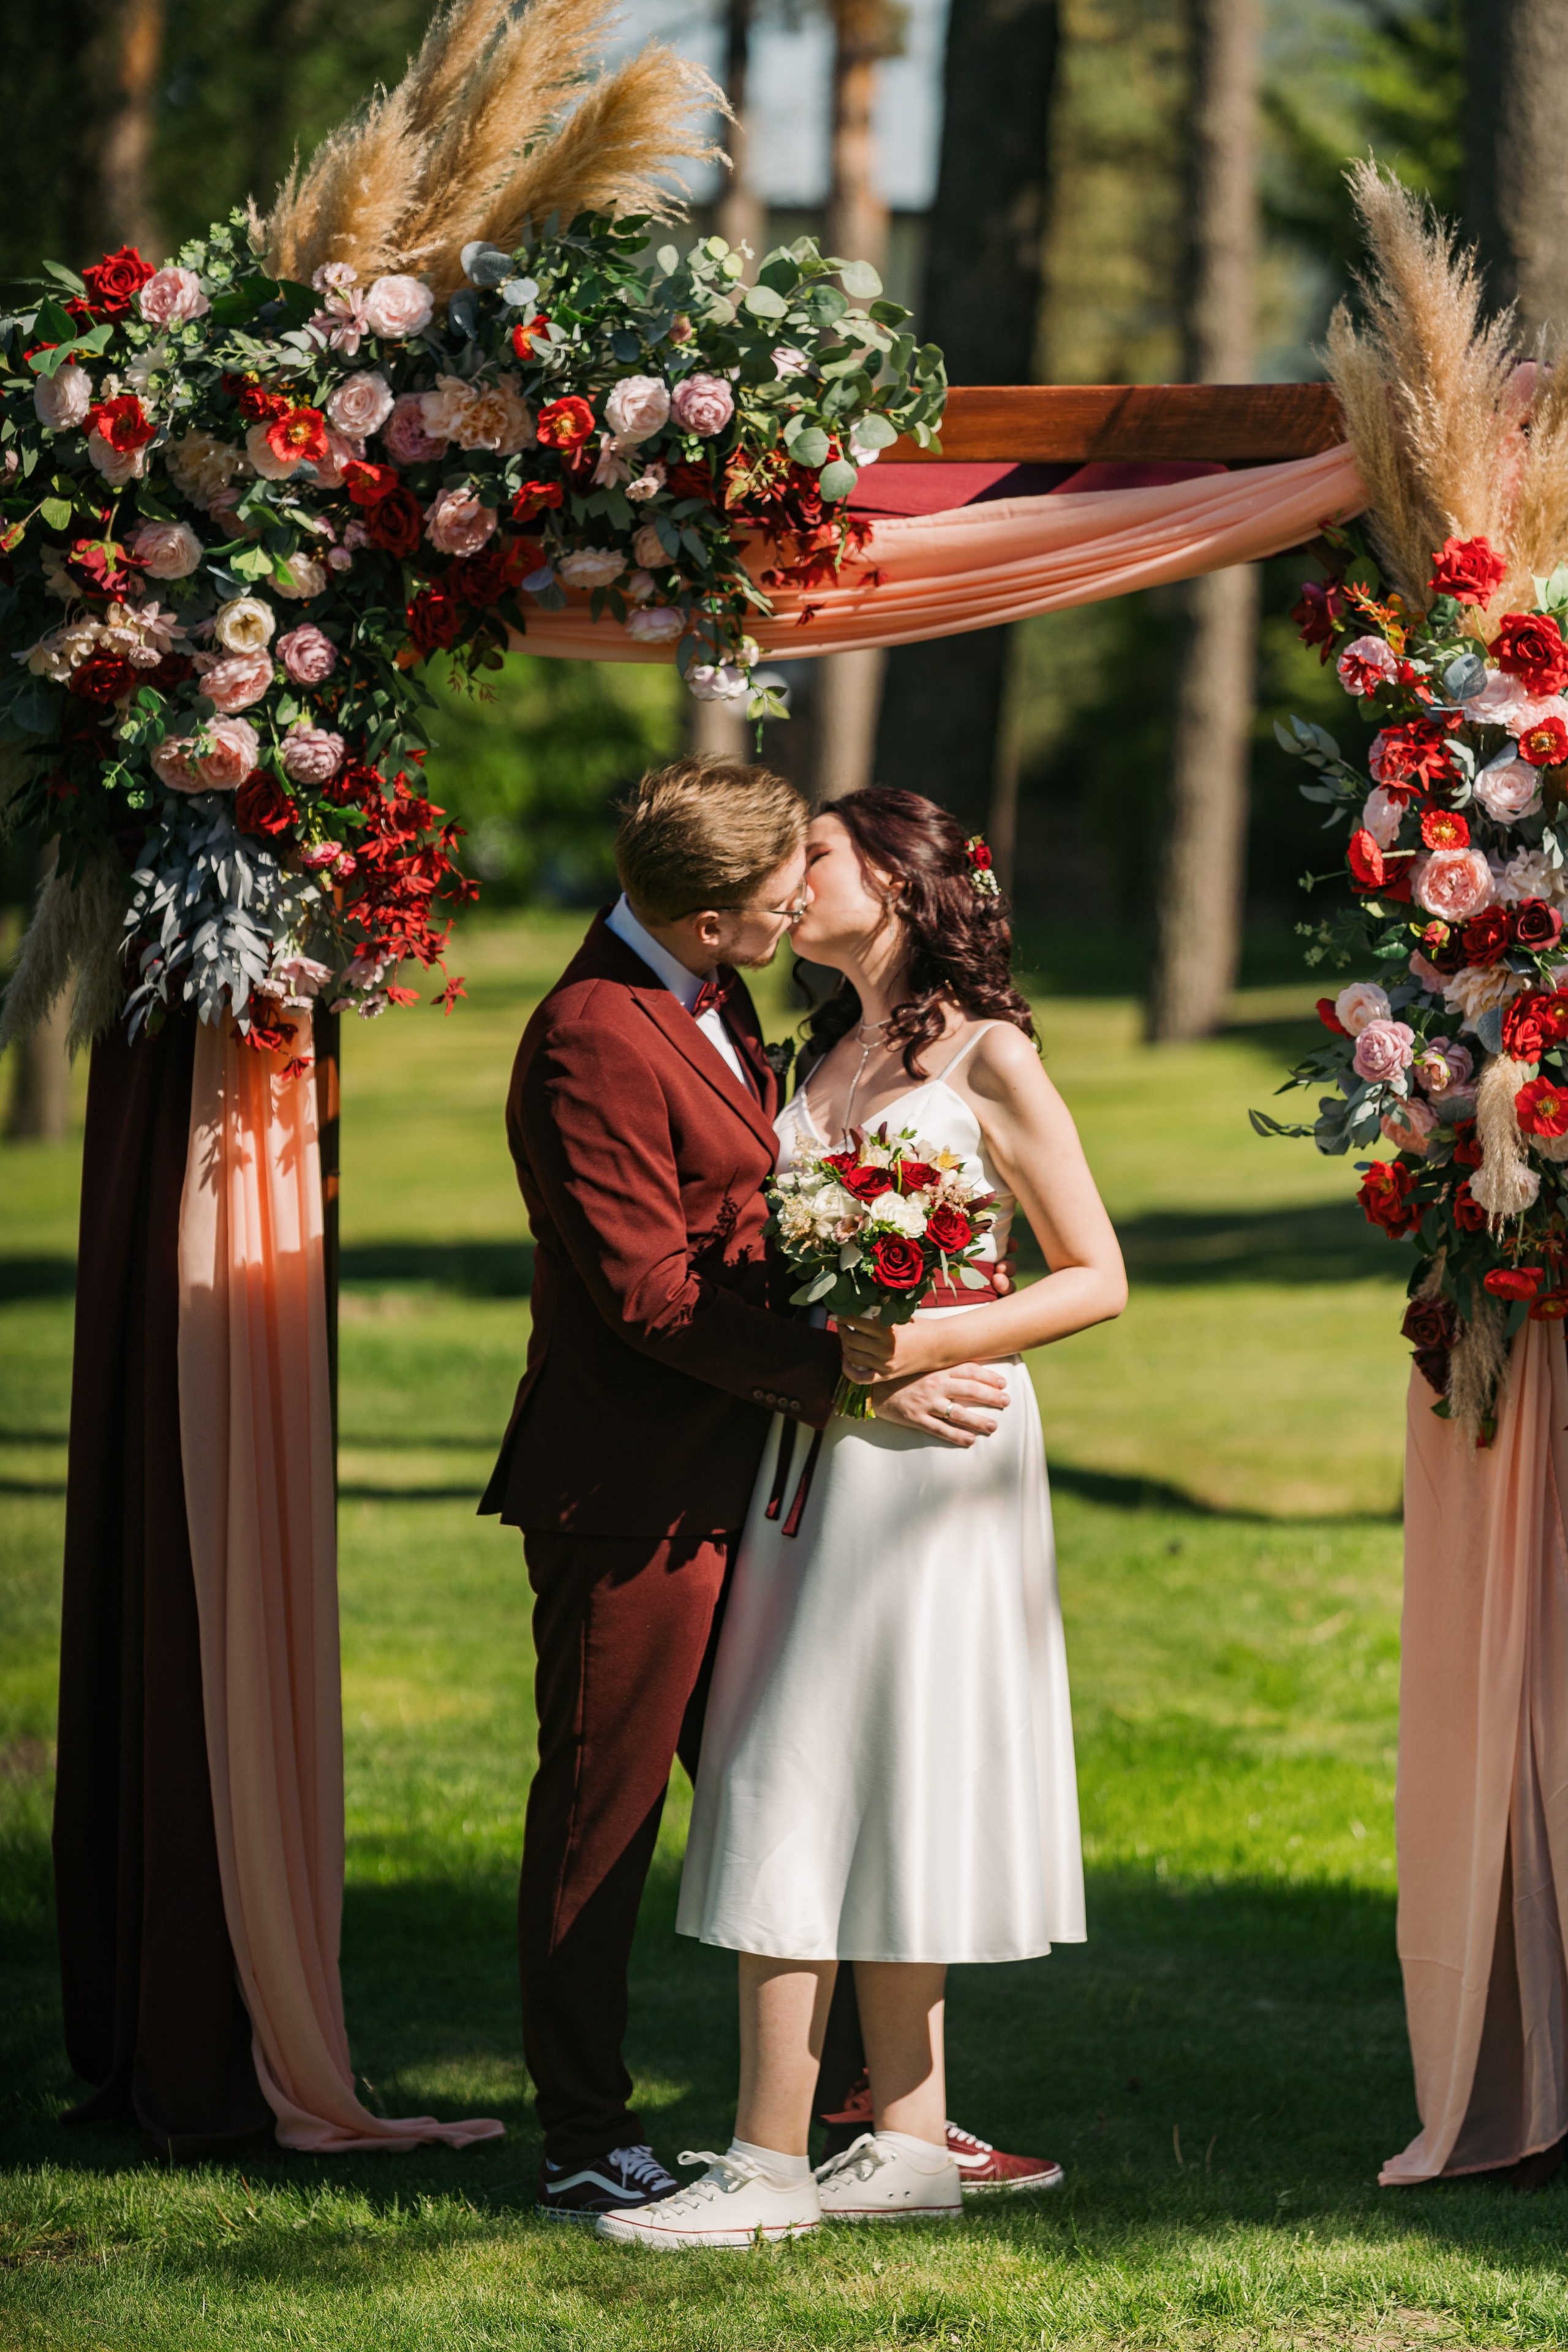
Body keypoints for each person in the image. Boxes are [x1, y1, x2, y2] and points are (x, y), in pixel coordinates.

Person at [479, 758, 1033, 2222]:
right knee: (601, 1820)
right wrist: (855, 1371)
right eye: (783, 887)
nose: (804, 896)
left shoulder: (720, 998)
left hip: (774, 1482)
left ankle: (877, 2120)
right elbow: (651, 1299)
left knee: (804, 1788)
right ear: (718, 918)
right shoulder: (592, 1033)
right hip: (635, 1492)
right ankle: (583, 2131)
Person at [598, 787, 1127, 2249]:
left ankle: (775, 2164)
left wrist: (919, 1354)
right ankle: (895, 2134)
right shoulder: (811, 1049)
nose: (787, 875)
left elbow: (1094, 1274)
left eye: (812, 854)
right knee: (806, 1759)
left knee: (837, 1760)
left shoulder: (988, 1056)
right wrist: (835, 1370)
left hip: (936, 1452)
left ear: (894, 883)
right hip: (817, 1443)